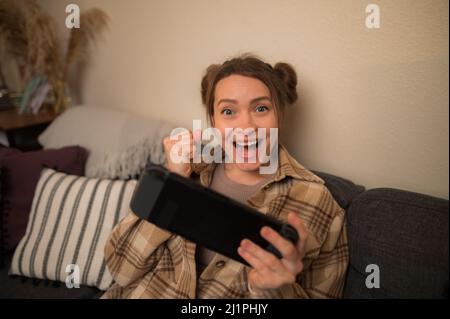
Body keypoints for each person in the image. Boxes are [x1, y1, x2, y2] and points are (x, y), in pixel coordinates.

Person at [101, 54, 349, 298]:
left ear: (279, 116)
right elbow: (120, 269)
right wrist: (174, 182)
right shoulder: (190, 169)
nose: (246, 127)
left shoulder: (320, 203)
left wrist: (272, 290)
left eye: (261, 108)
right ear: (213, 121)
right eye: (228, 112)